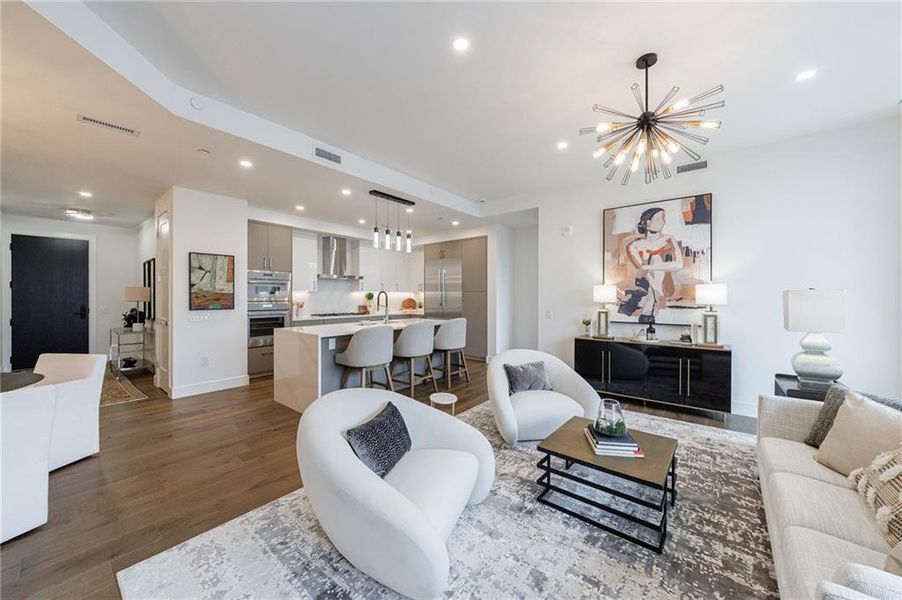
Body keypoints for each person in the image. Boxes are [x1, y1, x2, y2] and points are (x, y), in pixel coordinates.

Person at [623, 207, 682, 323]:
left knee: (655, 259)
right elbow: (642, 270)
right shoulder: (634, 245)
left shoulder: (669, 239)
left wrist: (649, 267)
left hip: (665, 283)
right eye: (660, 218)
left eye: (664, 218)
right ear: (648, 222)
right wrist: (656, 289)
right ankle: (649, 310)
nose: (664, 222)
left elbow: (679, 264)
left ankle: (647, 311)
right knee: (652, 259)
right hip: (646, 283)